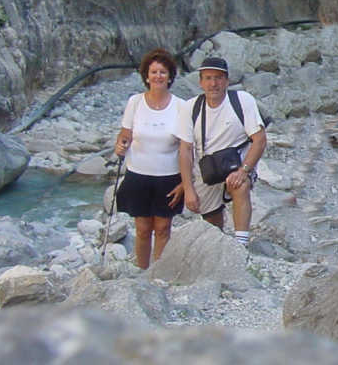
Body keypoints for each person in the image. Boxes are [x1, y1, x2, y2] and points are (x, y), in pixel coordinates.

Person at [176, 57, 267, 247]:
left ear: (226, 80)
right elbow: (185, 150)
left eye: (218, 78)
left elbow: (259, 139)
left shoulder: (242, 101)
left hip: (237, 164)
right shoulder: (189, 108)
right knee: (212, 219)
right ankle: (219, 247)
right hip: (206, 170)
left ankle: (241, 245)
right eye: (208, 78)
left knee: (239, 185)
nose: (213, 83)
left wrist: (244, 170)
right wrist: (188, 188)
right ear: (200, 82)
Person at [113, 48, 185, 269]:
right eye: (154, 72)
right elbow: (125, 134)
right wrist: (120, 145)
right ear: (146, 76)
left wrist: (185, 183)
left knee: (163, 228)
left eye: (163, 72)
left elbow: (186, 148)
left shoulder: (181, 106)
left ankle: (159, 273)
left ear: (170, 76)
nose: (158, 76)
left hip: (169, 176)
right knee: (143, 228)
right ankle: (142, 271)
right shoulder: (135, 102)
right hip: (138, 175)